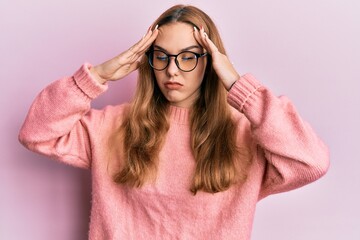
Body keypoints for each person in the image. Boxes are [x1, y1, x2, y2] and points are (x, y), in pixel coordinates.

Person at [18, 4, 330, 240]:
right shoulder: (112, 126)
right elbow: (37, 133)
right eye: (162, 56)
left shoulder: (246, 134)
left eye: (189, 56)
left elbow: (311, 161)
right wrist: (97, 76)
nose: (172, 70)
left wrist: (238, 86)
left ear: (211, 62)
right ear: (148, 60)